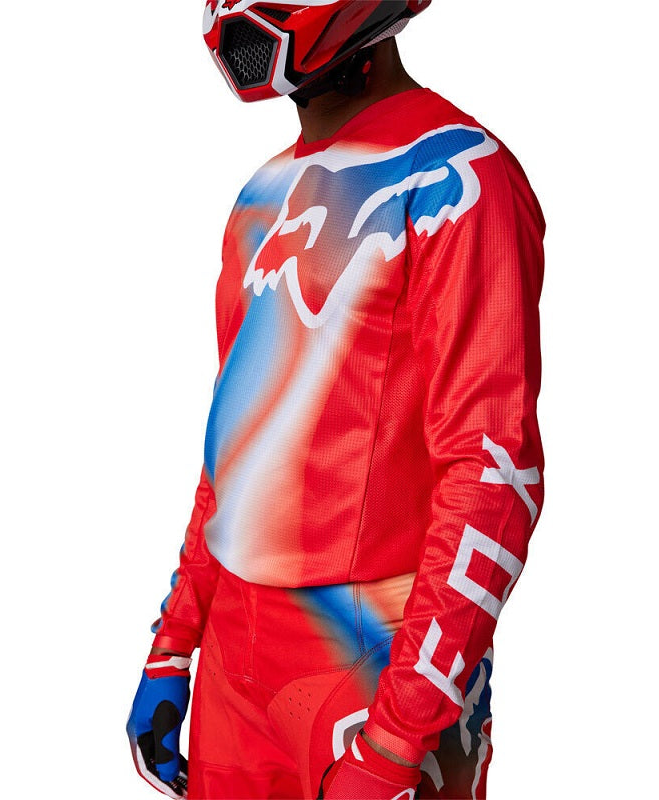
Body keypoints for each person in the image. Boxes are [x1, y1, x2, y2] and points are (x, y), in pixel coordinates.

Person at [127, 2, 546, 798]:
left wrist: (397, 738)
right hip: (234, 667)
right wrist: (173, 646)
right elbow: (234, 456)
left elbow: (492, 473)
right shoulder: (260, 194)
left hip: (374, 664)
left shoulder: (460, 176)